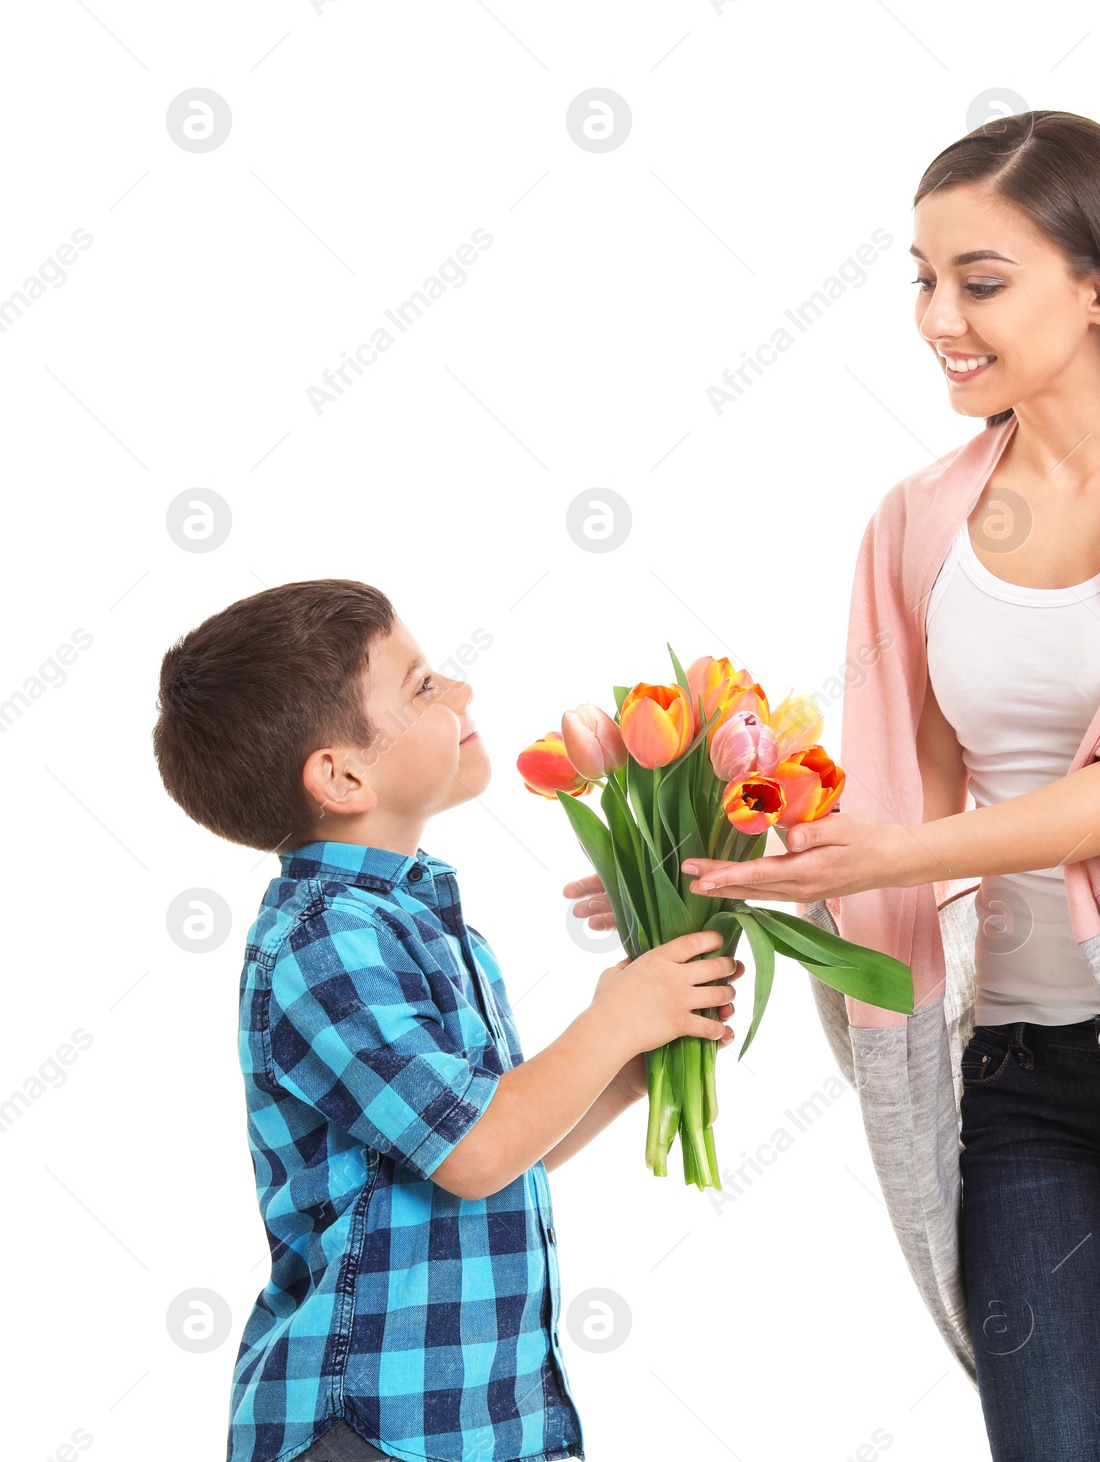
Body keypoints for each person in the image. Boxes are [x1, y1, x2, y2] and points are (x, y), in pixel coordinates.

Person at [571, 111, 1100, 1459]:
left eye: (981, 279)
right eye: (922, 277)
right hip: (1029, 1086)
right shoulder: (917, 523)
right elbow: (892, 806)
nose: (938, 316)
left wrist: (879, 860)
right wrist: (705, 862)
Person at [153, 578, 742, 1462]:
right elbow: (474, 1151)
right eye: (422, 685)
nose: (460, 692)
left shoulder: (416, 916)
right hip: (372, 1430)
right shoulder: (324, 943)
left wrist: (625, 1068)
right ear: (343, 775)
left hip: (480, 1419)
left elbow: (492, 1146)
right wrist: (612, 1023)